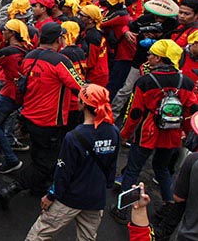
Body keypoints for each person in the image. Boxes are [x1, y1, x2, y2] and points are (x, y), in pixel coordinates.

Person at [0, 23, 86, 209]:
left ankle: (38, 187)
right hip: (50, 121)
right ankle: (13, 188)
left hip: (29, 115)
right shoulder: (60, 61)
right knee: (46, 162)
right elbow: (81, 87)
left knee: (38, 153)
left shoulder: (29, 56)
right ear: (58, 39)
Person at [114, 39, 198, 222]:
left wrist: (125, 134)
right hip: (172, 135)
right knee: (162, 169)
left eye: (151, 54)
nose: (148, 57)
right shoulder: (187, 82)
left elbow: (134, 113)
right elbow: (191, 110)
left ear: (160, 58)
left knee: (133, 170)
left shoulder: (146, 81)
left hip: (147, 133)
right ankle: (169, 205)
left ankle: (121, 209)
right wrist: (186, 133)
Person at [23, 84, 120, 241]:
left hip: (70, 197)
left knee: (39, 235)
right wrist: (104, 187)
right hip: (96, 198)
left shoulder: (74, 137)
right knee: (87, 238)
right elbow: (111, 165)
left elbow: (63, 172)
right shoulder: (114, 131)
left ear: (83, 104)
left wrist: (51, 195)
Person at [0, 19, 31, 173]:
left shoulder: (8, 51)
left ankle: (10, 158)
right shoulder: (25, 49)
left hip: (10, 91)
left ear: (12, 33)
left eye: (5, 30)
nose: (2, 32)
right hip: (20, 92)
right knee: (1, 122)